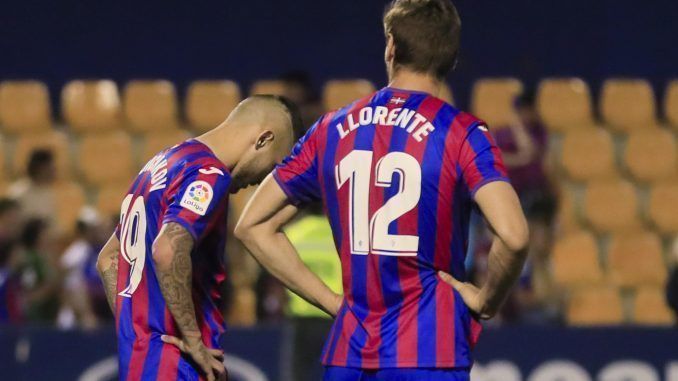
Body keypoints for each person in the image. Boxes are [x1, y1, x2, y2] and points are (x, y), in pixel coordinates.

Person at [235, 1, 529, 380]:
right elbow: (515, 236)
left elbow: (251, 225)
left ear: (391, 46)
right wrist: (486, 299)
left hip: (351, 353)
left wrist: (332, 303)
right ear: (452, 58)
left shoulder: (331, 129)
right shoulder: (463, 134)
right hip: (429, 351)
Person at [95, 95, 300, 381]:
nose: (265, 178)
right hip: (176, 364)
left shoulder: (160, 164)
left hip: (144, 361)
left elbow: (109, 258)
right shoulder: (210, 174)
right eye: (273, 164)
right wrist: (192, 338)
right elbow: (168, 249)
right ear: (263, 139)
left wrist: (138, 333)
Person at [284, 203, 342, 381]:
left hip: (301, 318)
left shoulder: (292, 234)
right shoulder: (339, 234)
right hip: (335, 315)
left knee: (298, 375)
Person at [8, 149, 58, 226]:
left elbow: (52, 224)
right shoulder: (19, 193)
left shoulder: (48, 193)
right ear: (41, 169)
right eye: (51, 168)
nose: (54, 172)